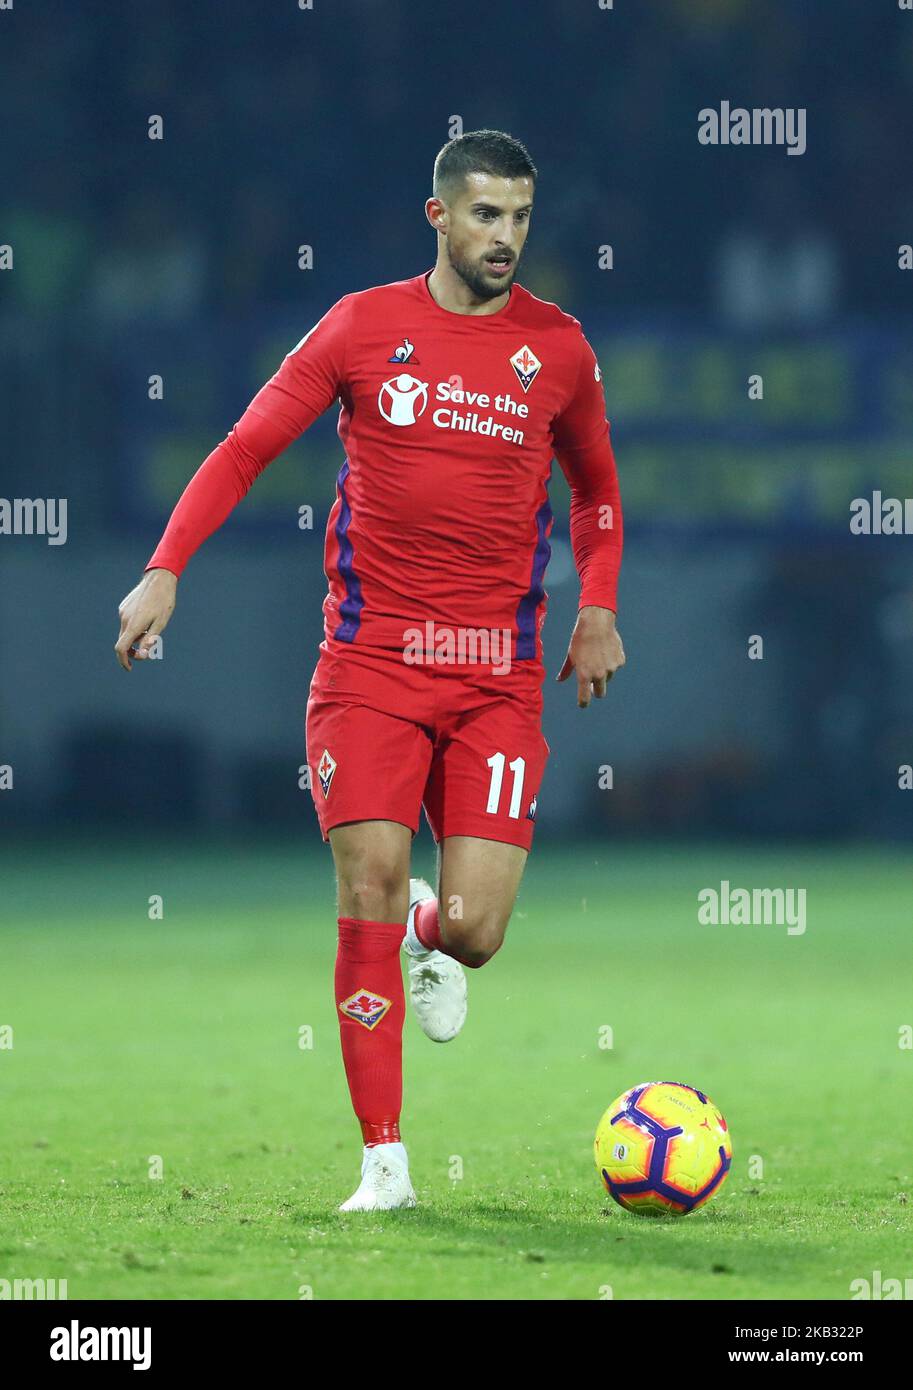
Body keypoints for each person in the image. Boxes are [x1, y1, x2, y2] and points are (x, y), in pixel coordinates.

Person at [115, 130, 625, 1210]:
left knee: (477, 935)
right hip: (371, 667)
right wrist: (165, 569)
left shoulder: (561, 349)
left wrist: (599, 609)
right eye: (486, 214)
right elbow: (246, 446)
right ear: (438, 216)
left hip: (496, 675)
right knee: (366, 887)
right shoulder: (361, 326)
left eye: (522, 216)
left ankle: (431, 931)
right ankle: (383, 1162)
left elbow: (596, 494)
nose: (506, 237)